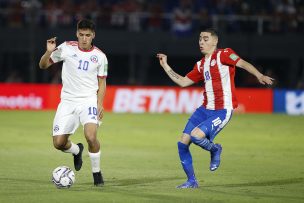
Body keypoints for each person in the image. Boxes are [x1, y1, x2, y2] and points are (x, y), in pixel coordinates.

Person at [156, 28, 274, 189]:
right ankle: (191, 181)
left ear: (215, 41)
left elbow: (242, 63)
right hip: (204, 109)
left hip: (222, 110)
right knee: (182, 143)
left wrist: (259, 75)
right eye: (199, 39)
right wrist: (165, 65)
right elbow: (183, 82)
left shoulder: (225, 54)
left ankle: (215, 149)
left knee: (196, 136)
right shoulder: (200, 64)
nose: (201, 42)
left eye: (205, 39)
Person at [39, 19, 108, 186]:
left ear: (93, 36)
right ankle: (77, 150)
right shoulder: (66, 48)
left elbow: (102, 82)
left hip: (88, 100)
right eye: (81, 35)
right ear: (77, 34)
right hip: (68, 101)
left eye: (88, 35)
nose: (84, 38)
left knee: (91, 136)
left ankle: (97, 174)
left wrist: (99, 103)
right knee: (59, 143)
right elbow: (42, 66)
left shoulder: (100, 56)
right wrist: (48, 52)